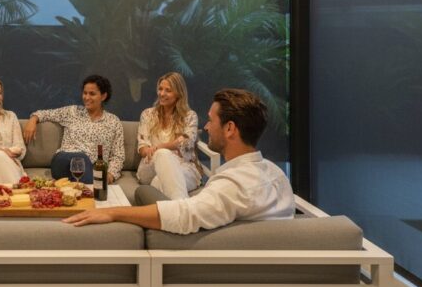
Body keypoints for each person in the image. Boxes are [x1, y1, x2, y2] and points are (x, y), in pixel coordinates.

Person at [63, 88, 294, 234]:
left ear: (230, 128)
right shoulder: (277, 175)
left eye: (211, 121)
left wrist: (113, 213)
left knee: (146, 192)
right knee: (149, 189)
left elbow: (184, 216)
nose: (206, 127)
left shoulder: (232, 187)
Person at [23, 74, 124, 185]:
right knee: (80, 159)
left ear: (103, 96)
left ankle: (83, 188)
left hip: (93, 168)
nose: (86, 97)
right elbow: (45, 114)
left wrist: (110, 175)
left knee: (88, 169)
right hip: (63, 160)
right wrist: (33, 119)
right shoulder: (72, 112)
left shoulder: (113, 122)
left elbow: (118, 155)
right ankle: (95, 187)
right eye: (85, 93)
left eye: (92, 94)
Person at [135, 72, 202, 200]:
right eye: (160, 89)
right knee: (163, 155)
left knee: (158, 183)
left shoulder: (189, 116)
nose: (162, 93)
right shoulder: (148, 114)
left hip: (183, 166)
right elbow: (143, 148)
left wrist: (160, 147)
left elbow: (185, 142)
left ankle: (176, 210)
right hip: (151, 166)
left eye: (168, 90)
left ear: (179, 93)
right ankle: (186, 211)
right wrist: (155, 151)